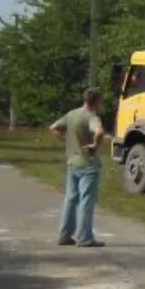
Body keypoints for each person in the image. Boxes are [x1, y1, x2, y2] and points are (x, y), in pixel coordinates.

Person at [49, 87, 106, 248]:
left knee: (70, 199)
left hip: (72, 162)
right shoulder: (91, 117)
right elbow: (100, 131)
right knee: (86, 200)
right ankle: (84, 238)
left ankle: (64, 235)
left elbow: (53, 128)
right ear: (96, 102)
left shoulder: (72, 114)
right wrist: (95, 144)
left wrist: (65, 140)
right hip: (88, 164)